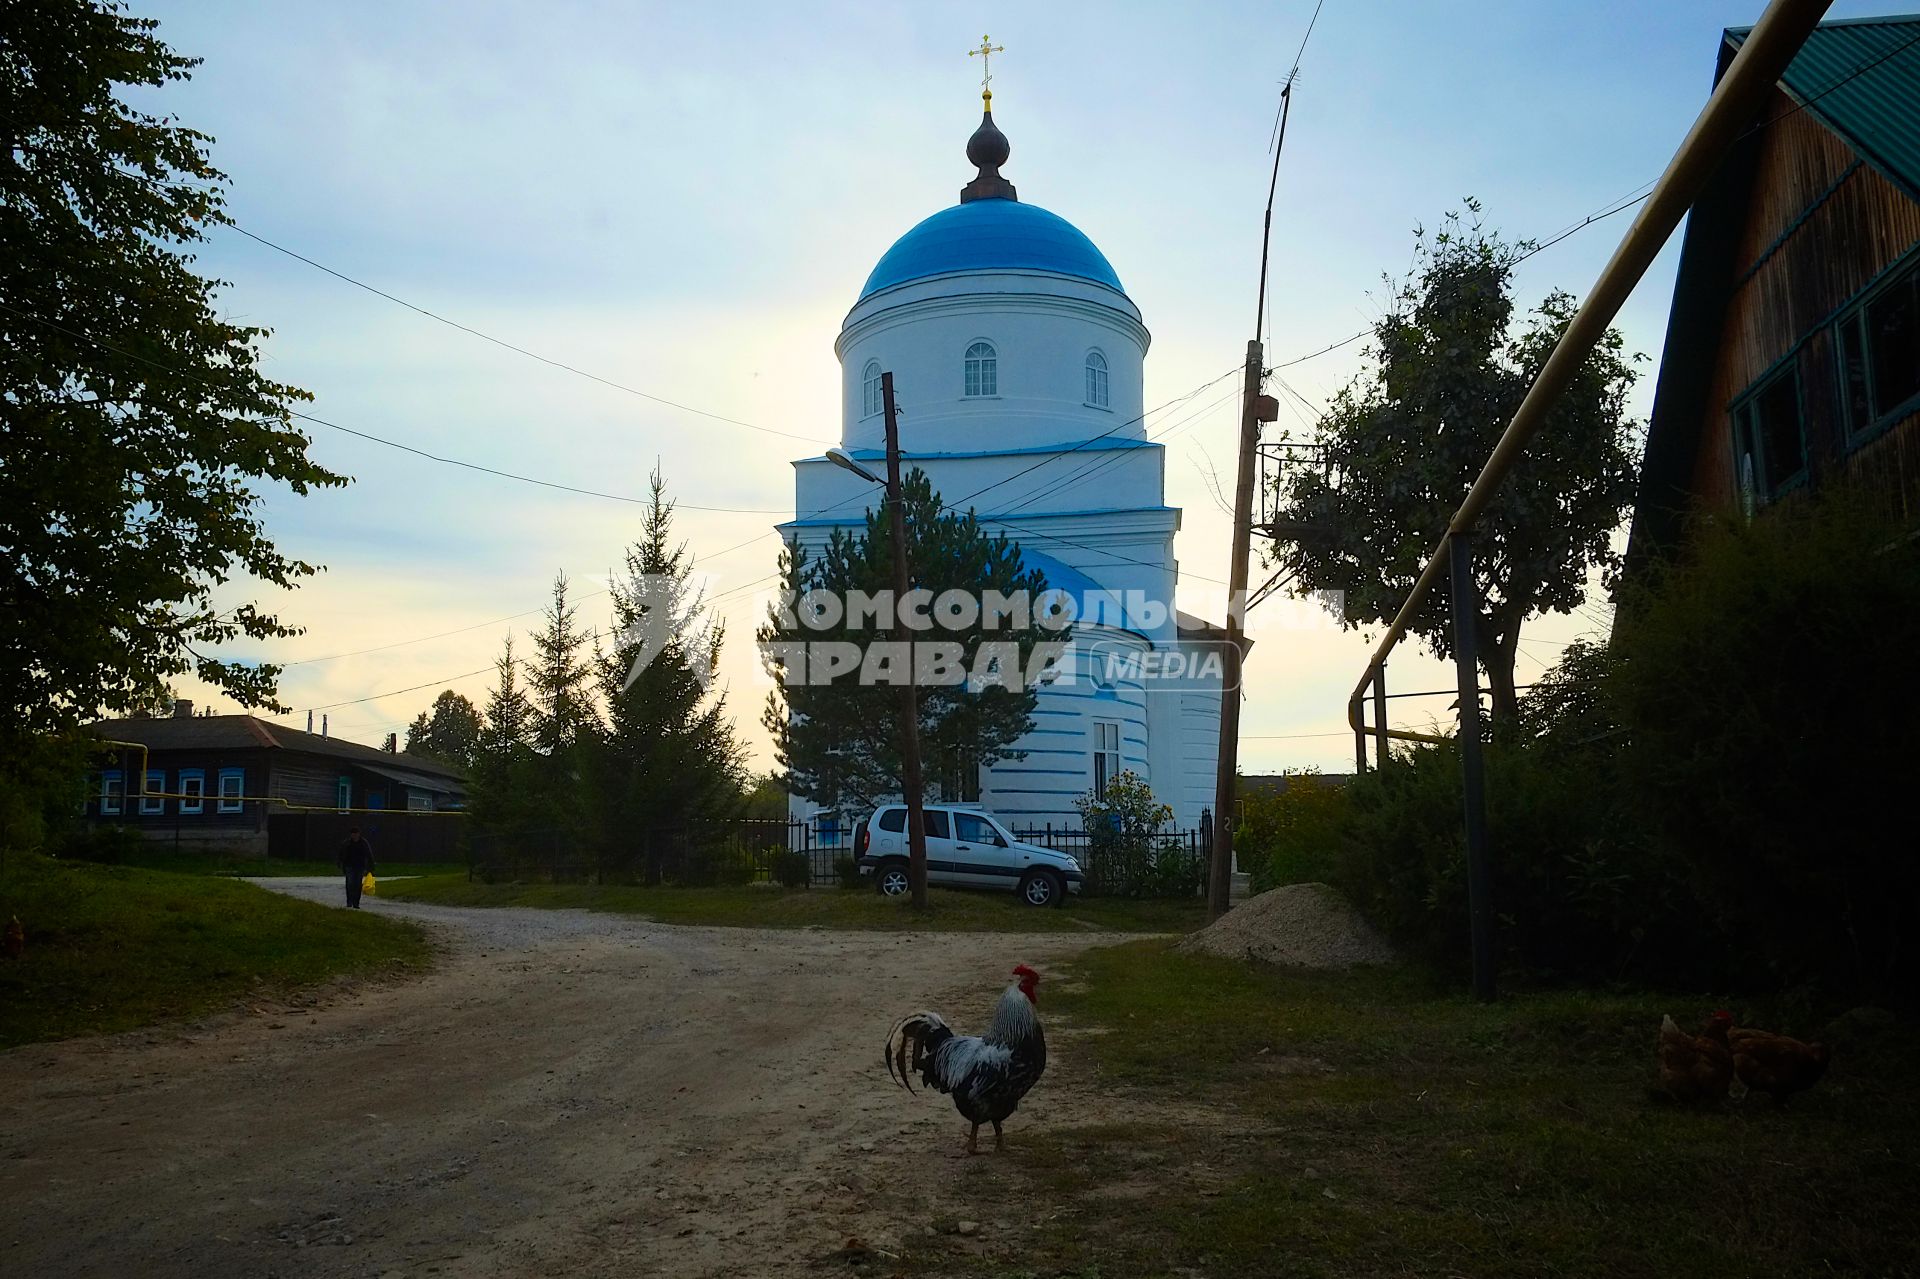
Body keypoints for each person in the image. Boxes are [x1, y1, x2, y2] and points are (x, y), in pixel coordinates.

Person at [338, 825, 376, 908]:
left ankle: (356, 903)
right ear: (351, 834)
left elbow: (369, 854)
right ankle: (349, 902)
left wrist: (371, 866)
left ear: (359, 834)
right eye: (353, 834)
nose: (354, 835)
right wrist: (340, 863)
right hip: (349, 865)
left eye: (356, 833)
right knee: (350, 884)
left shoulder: (363, 843)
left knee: (358, 884)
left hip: (360, 866)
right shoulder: (347, 843)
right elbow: (341, 853)